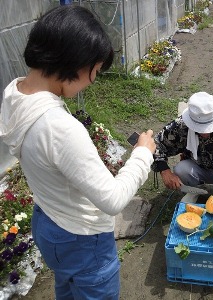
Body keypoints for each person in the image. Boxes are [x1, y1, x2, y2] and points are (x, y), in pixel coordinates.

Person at [0, 5, 156, 299]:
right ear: (76, 62)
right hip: (82, 238)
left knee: (68, 287)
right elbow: (112, 200)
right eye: (94, 71)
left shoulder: (15, 92)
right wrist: (143, 153)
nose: (93, 81)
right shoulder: (59, 127)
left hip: (47, 221)